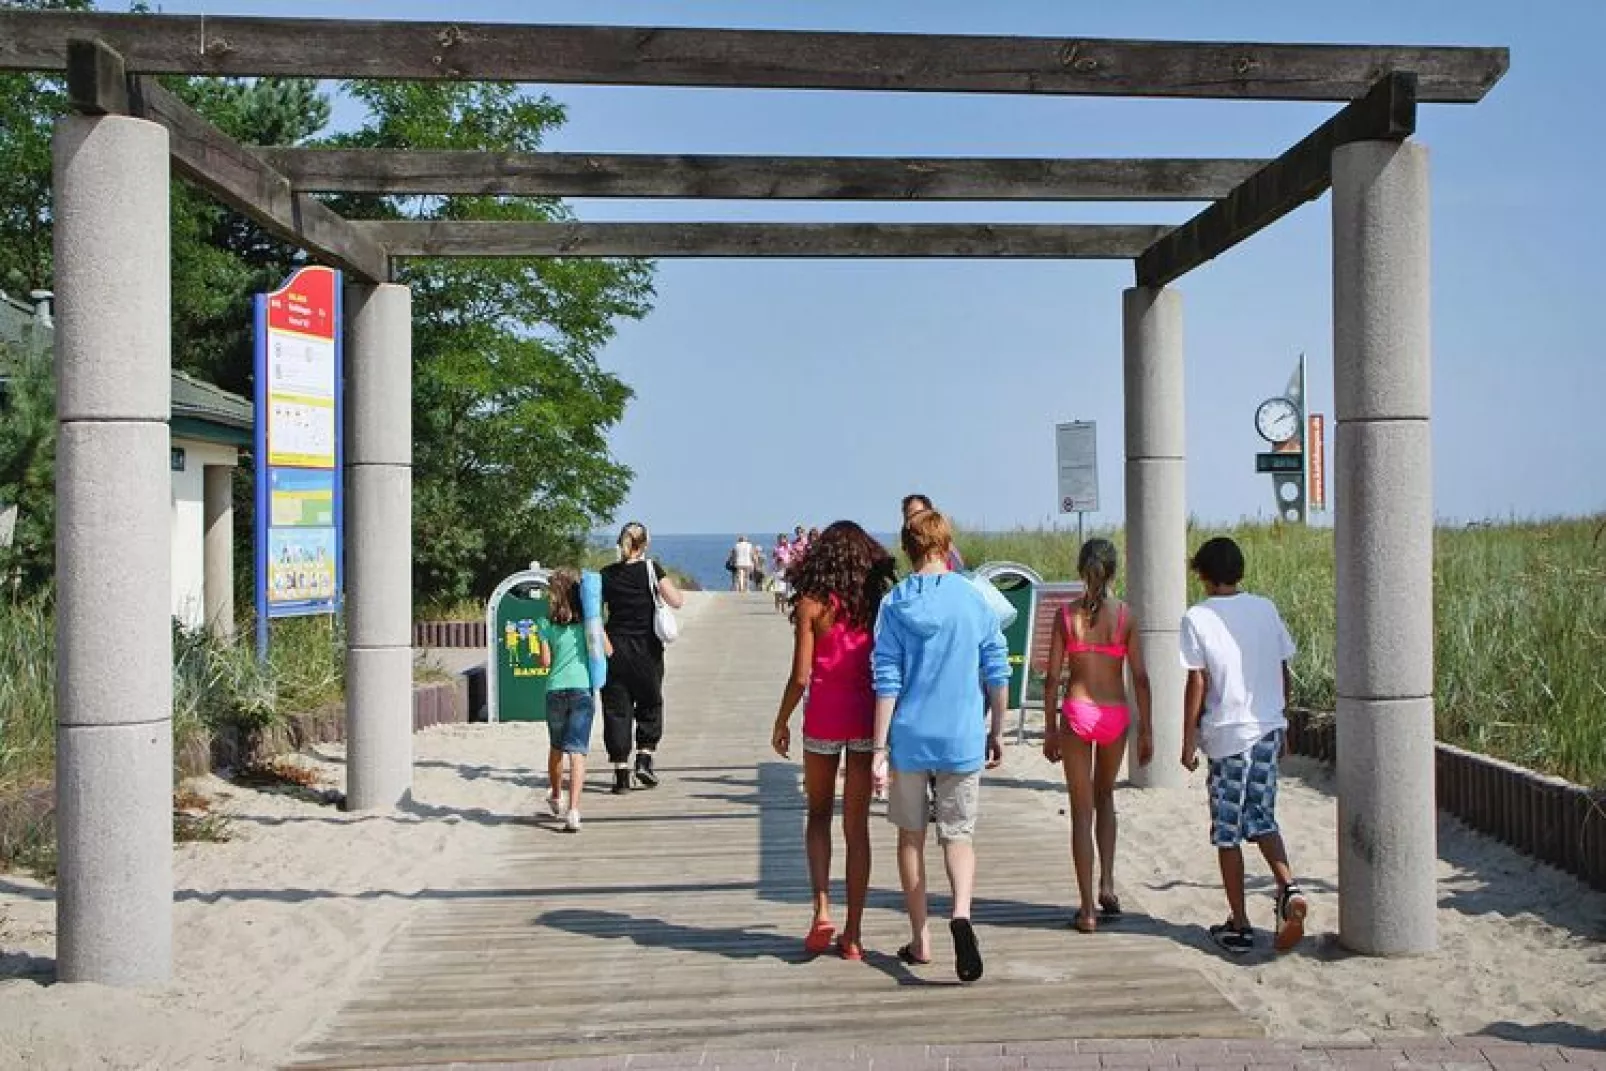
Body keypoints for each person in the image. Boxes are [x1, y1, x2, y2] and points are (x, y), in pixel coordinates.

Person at [871, 509, 1010, 983]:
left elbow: (886, 677)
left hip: (910, 733)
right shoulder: (974, 599)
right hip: (961, 733)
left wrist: (877, 750)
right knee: (958, 835)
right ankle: (962, 914)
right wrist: (997, 728)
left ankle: (920, 938)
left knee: (911, 838)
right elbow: (997, 669)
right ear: (946, 544)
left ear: (908, 549)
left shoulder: (893, 604)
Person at [770, 521, 896, 962]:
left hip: (823, 719)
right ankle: (854, 934)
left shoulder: (811, 605)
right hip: (865, 721)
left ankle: (822, 909)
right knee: (857, 828)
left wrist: (781, 720)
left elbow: (801, 676)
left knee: (819, 815)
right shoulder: (877, 604)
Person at [1179, 536, 1309, 955]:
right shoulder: (1265, 608)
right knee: (1263, 817)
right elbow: (1282, 668)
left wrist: (1187, 740)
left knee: (1228, 833)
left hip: (1228, 735)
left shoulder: (1197, 616)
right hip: (1267, 729)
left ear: (1203, 573)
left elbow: (1197, 681)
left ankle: (1239, 923)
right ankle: (1288, 888)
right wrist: (1282, 720)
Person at [1042, 539, 1154, 932]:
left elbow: (1053, 677)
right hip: (1114, 714)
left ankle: (1087, 909)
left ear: (1080, 569)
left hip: (1077, 711)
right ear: (1113, 571)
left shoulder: (1065, 616)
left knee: (1081, 808)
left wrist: (1050, 730)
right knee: (1106, 796)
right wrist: (1147, 731)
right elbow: (1140, 677)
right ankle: (1107, 883)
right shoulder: (1125, 616)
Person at [601, 522, 686, 793]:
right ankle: (644, 759)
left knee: (616, 708)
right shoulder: (651, 569)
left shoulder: (607, 574)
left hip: (614, 649)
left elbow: (591, 613)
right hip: (646, 649)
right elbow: (676, 601)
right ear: (645, 544)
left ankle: (620, 774)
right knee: (649, 703)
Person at [539, 568, 605, 832]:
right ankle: (574, 811)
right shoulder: (589, 623)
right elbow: (606, 650)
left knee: (556, 748)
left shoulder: (545, 623)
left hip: (555, 689)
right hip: (582, 690)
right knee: (578, 752)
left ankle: (556, 795)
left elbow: (545, 662)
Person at [900, 493, 965, 573]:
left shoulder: (947, 552)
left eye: (918, 514)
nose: (914, 520)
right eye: (908, 518)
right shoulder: (913, 551)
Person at [771, 534, 793, 613]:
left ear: (785, 539)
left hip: (786, 568)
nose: (781, 540)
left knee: (785, 590)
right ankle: (777, 606)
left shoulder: (789, 546)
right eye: (779, 539)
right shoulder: (776, 548)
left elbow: (792, 554)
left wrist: (790, 563)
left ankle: (784, 606)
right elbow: (773, 557)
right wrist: (776, 559)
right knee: (777, 591)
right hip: (777, 568)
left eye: (782, 539)